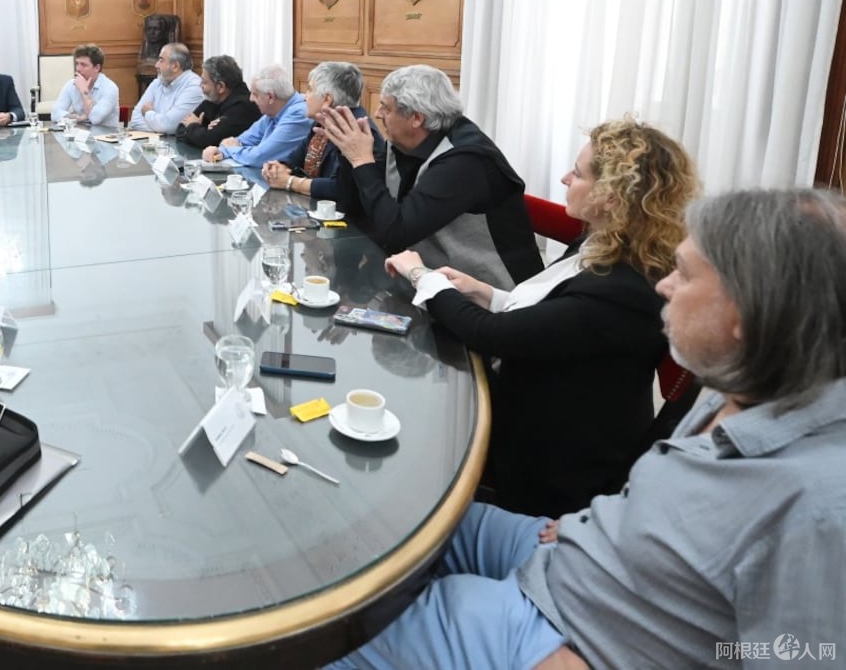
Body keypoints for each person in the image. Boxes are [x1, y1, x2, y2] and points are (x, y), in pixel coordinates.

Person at [327, 188, 846, 670]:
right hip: (570, 550)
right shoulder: (745, 383)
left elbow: (802, 650)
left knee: (337, 640)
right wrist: (603, 523)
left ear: (747, 314)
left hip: (565, 629)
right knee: (395, 519)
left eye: (684, 276)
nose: (663, 286)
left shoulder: (820, 505)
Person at [385, 119, 699, 516]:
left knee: (411, 437)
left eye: (579, 173)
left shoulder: (625, 287)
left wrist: (421, 275)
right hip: (546, 409)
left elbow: (491, 335)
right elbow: (554, 316)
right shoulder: (609, 241)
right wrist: (483, 291)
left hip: (552, 465)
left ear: (612, 197)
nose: (565, 178)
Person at [321, 64, 542, 288]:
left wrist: (361, 160)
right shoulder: (408, 145)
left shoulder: (465, 160)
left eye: (386, 108)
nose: (377, 114)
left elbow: (395, 233)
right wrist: (347, 153)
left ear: (416, 118)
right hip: (429, 279)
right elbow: (357, 209)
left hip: (493, 294)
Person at [261, 61, 382, 203]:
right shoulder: (322, 121)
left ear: (327, 99)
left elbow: (340, 189)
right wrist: (277, 167)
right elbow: (296, 157)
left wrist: (289, 182)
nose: (304, 96)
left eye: (309, 89)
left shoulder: (358, 132)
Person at [201, 65, 313, 168]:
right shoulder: (273, 112)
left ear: (270, 97)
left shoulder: (298, 114)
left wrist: (232, 149)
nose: (251, 99)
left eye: (255, 94)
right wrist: (220, 151)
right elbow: (242, 140)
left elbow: (260, 157)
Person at [175, 54, 261, 148]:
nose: (200, 86)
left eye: (204, 82)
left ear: (220, 87)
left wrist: (193, 125)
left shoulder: (243, 107)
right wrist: (202, 130)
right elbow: (180, 129)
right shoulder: (211, 101)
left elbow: (209, 141)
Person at [127, 42, 203, 133]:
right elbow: (135, 120)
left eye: (161, 60)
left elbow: (169, 125)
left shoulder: (194, 87)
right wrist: (160, 129)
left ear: (175, 66)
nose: (156, 65)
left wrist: (148, 113)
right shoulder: (158, 82)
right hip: (154, 142)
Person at [50, 44, 120, 129]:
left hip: (105, 138)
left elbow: (95, 119)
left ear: (97, 68)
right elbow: (55, 113)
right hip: (80, 135)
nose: (78, 69)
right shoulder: (71, 84)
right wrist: (77, 118)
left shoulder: (110, 88)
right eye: (77, 63)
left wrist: (84, 92)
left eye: (83, 65)